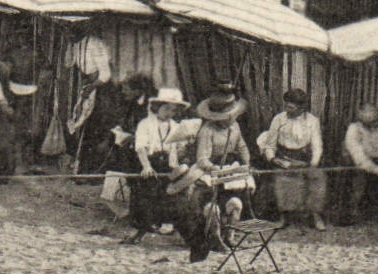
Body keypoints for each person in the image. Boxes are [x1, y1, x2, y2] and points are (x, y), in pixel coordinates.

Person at [172, 87, 254, 262]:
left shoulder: (235, 127)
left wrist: (246, 163)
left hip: (229, 170)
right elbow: (202, 159)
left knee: (236, 203)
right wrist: (217, 170)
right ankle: (214, 238)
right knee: (211, 208)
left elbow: (242, 147)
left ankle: (230, 235)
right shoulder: (207, 131)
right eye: (227, 117)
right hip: (210, 170)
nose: (230, 119)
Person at [127, 87, 194, 244]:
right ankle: (140, 231)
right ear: (158, 107)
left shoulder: (177, 127)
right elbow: (140, 147)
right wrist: (146, 166)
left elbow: (180, 151)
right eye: (166, 108)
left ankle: (181, 233)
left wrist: (188, 144)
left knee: (172, 196)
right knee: (145, 196)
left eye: (173, 110)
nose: (169, 113)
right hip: (149, 163)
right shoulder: (145, 124)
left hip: (168, 166)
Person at [258, 88, 326, 230]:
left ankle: (315, 215)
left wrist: (313, 163)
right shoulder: (279, 119)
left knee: (318, 178)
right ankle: (284, 216)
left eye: (291, 106)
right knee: (282, 179)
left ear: (302, 107)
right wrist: (272, 159)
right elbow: (270, 144)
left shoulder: (312, 121)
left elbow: (317, 145)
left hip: (304, 160)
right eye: (286, 105)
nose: (288, 109)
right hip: (285, 158)